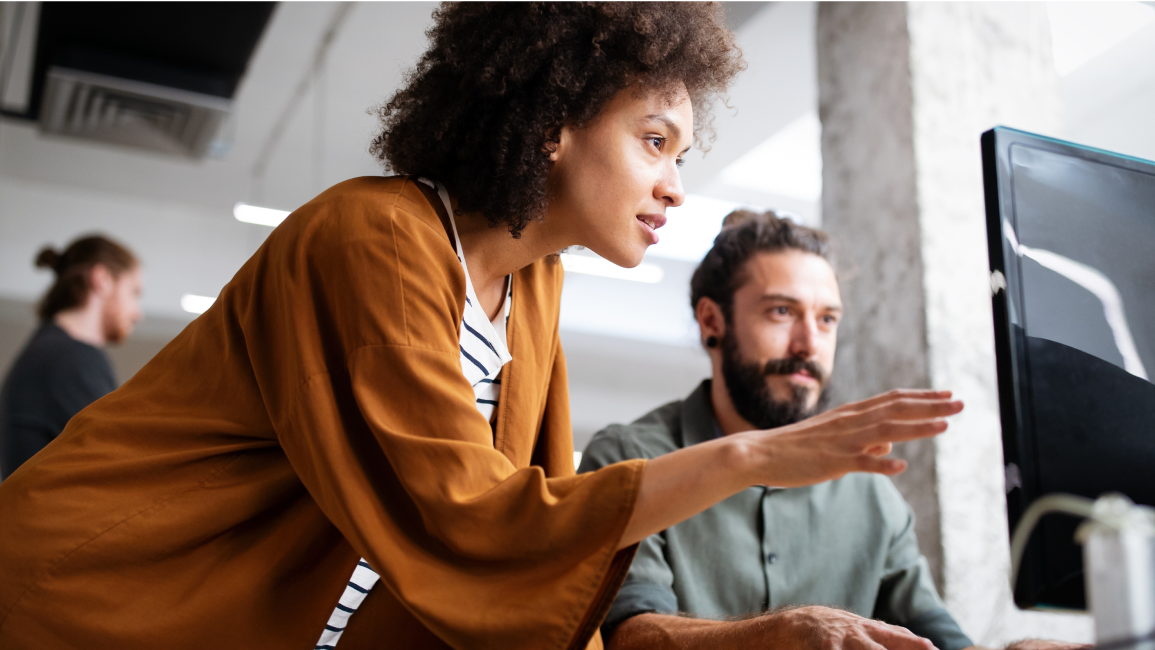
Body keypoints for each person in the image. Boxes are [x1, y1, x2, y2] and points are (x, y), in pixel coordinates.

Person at [0, 4, 962, 649]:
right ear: (555, 120)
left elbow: (526, 529)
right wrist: (751, 459)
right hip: (90, 597)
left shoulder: (532, 285)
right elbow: (472, 519)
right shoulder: (370, 236)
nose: (675, 184)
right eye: (655, 141)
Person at [0, 235, 142, 479]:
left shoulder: (51, 350)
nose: (137, 313)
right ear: (102, 279)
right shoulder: (71, 358)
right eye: (134, 292)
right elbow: (118, 467)